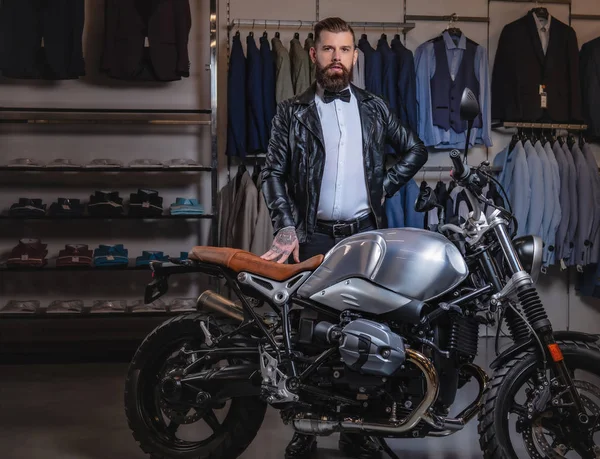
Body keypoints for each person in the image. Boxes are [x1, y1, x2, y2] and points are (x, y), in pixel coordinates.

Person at [260, 17, 428, 459]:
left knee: (368, 333)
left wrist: (382, 187)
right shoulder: (290, 112)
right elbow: (271, 173)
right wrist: (285, 223)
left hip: (364, 238)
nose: (338, 58)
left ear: (355, 56)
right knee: (311, 336)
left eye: (346, 49)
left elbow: (416, 149)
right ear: (313, 55)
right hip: (314, 237)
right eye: (329, 49)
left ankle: (360, 428)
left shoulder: (374, 108)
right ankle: (308, 429)